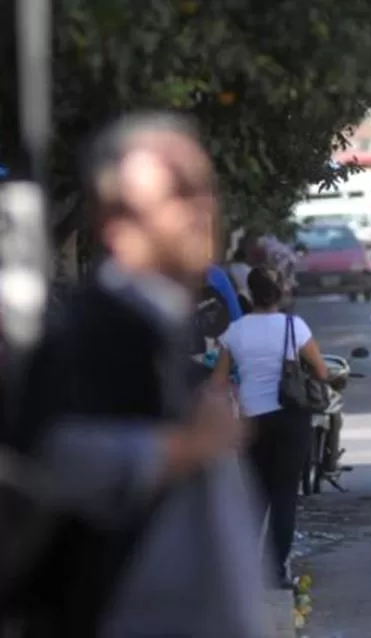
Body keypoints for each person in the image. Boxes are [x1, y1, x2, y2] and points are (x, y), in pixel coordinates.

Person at [13, 112, 271, 636]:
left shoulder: (162, 327)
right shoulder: (95, 332)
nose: (201, 209)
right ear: (115, 221)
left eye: (205, 189)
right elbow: (48, 460)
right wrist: (186, 447)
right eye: (178, 191)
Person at [212, 267, 329, 588]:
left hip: (251, 424)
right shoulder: (295, 326)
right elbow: (320, 371)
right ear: (278, 294)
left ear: (249, 295)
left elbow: (218, 382)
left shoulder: (235, 331)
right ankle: (277, 571)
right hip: (290, 420)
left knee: (254, 497)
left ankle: (246, 572)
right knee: (284, 496)